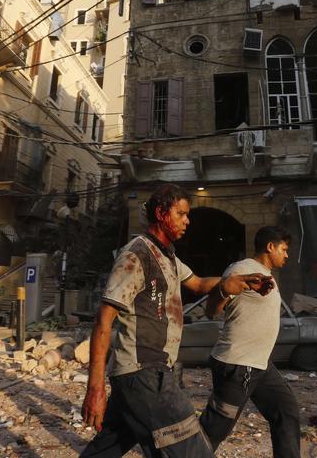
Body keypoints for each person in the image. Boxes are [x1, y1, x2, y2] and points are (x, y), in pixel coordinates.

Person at [80, 184, 272, 458]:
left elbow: (199, 283)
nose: (187, 221)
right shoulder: (136, 255)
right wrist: (95, 388)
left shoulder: (167, 256)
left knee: (108, 447)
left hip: (144, 373)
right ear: (161, 213)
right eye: (181, 214)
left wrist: (241, 281)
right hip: (143, 372)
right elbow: (103, 322)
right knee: (192, 450)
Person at [199, 226, 301, 458]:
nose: (287, 255)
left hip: (260, 364)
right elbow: (211, 310)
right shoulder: (242, 269)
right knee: (215, 429)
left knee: (286, 411)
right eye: (284, 249)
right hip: (238, 365)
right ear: (270, 247)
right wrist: (224, 290)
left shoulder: (265, 274)